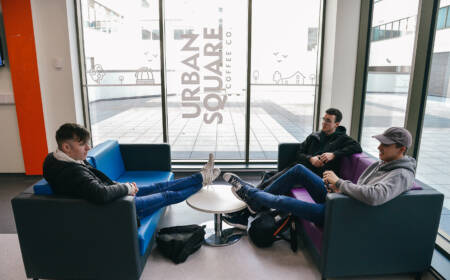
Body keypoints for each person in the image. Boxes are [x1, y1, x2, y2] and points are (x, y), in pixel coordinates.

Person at [223, 127, 416, 229]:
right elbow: (361, 189)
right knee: (298, 169)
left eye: (386, 145)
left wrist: (340, 182)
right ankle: (254, 203)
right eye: (381, 143)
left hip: (342, 214)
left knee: (283, 201)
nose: (379, 148)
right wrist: (339, 188)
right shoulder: (382, 163)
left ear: (401, 149)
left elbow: (375, 196)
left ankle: (249, 192)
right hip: (342, 200)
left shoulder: (401, 174)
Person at [43, 123, 220, 220]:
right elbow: (100, 194)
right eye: (82, 144)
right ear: (66, 147)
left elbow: (95, 186)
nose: (88, 148)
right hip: (119, 209)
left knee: (160, 185)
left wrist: (122, 186)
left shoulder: (56, 158)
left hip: (117, 197)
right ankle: (202, 182)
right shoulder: (71, 171)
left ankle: (202, 176)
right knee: (167, 195)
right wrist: (126, 188)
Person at [258, 108, 362, 190]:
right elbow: (299, 153)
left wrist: (333, 154)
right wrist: (311, 159)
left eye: (328, 121)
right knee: (269, 174)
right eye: (324, 119)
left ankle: (255, 193)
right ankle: (257, 193)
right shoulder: (314, 136)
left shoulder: (342, 139)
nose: (324, 123)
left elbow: (357, 147)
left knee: (290, 170)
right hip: (301, 168)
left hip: (317, 176)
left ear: (336, 124)